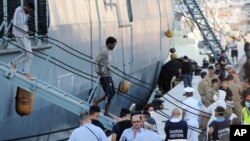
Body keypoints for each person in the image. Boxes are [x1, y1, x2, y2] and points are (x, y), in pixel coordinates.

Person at [9, 2, 35, 78]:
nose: (30, 12)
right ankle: (12, 63)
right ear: (27, 7)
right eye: (30, 10)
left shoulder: (25, 13)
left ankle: (26, 72)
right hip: (19, 35)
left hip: (25, 35)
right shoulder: (19, 11)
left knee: (30, 55)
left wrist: (28, 31)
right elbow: (18, 24)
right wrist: (27, 31)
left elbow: (24, 24)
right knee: (28, 54)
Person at [93, 37, 117, 116]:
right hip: (104, 76)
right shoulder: (104, 51)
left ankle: (97, 101)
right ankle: (105, 112)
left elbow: (106, 63)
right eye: (113, 45)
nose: (114, 46)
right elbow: (95, 60)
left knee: (113, 92)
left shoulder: (108, 51)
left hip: (108, 75)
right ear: (109, 43)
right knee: (109, 94)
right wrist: (97, 71)